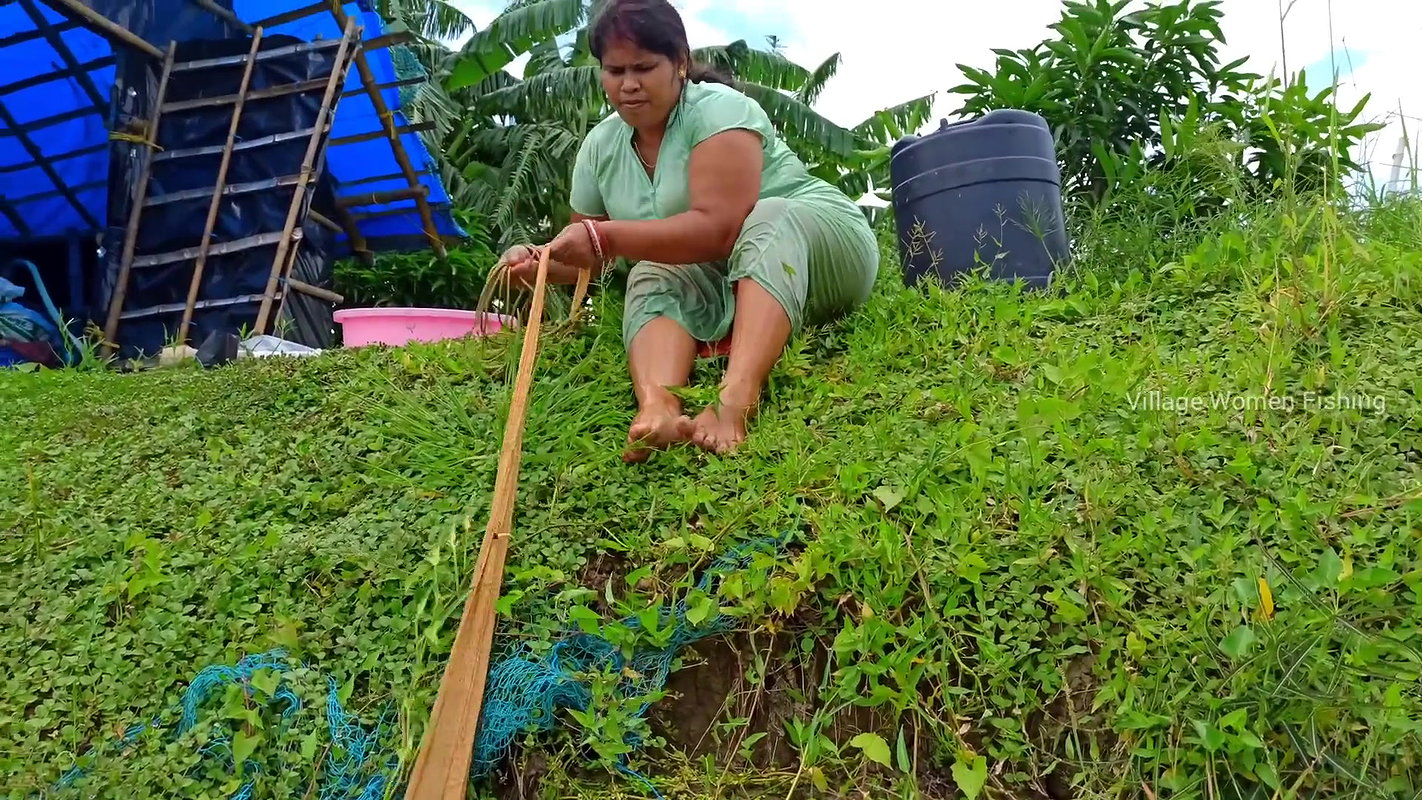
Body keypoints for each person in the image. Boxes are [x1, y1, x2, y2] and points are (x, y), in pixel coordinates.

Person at [500, 0, 878, 462]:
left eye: (644, 67)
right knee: (650, 269)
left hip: (820, 249)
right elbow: (593, 259)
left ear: (680, 63)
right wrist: (536, 265)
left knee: (770, 214)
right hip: (726, 275)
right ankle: (658, 406)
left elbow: (721, 229)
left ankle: (735, 399)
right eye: (615, 70)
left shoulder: (719, 111)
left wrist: (607, 238)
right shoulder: (600, 148)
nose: (629, 84)